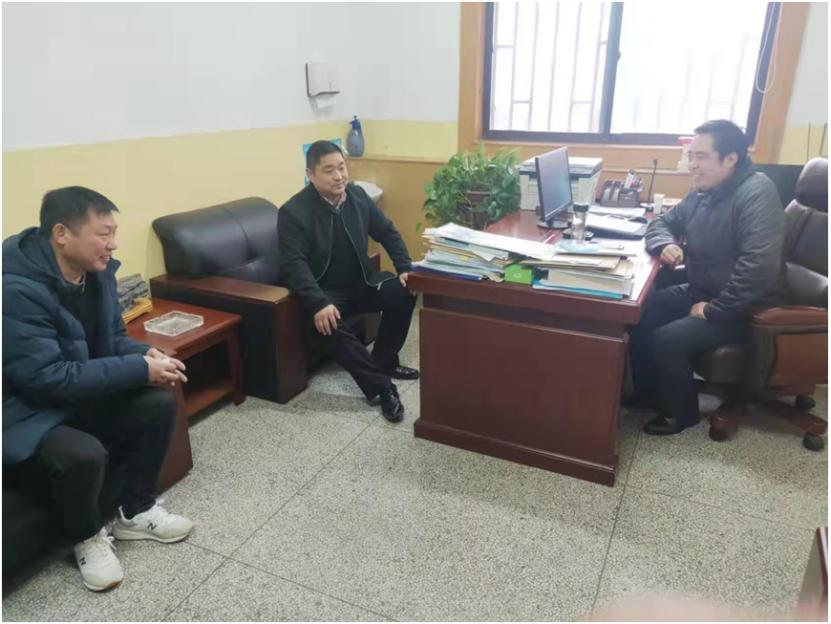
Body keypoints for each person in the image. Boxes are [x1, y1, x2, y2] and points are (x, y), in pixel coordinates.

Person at [2, 186, 194, 591]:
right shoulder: (15, 292)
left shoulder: (97, 272)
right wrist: (137, 369)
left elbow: (113, 339)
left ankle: (136, 510)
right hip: (25, 409)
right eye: (103, 234)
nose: (113, 244)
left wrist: (147, 355)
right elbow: (47, 378)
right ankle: (86, 537)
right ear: (61, 234)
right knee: (84, 454)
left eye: (114, 232)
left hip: (75, 389)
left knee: (158, 402)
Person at [629, 120, 785, 436]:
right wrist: (665, 243)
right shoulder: (703, 192)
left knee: (668, 339)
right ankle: (650, 393)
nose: (692, 165)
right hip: (704, 287)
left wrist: (713, 310)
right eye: (691, 156)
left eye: (701, 156)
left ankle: (680, 413)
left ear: (731, 159)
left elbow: (757, 270)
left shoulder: (757, 193)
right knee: (641, 310)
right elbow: (661, 224)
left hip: (746, 307)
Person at [278, 140, 418, 422]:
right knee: (330, 323)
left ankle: (385, 361)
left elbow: (387, 232)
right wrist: (318, 303)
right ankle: (382, 387)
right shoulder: (293, 211)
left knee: (405, 291)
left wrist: (405, 267)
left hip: (362, 281)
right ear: (310, 174)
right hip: (325, 293)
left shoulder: (357, 196)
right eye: (329, 170)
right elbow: (294, 264)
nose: (338, 176)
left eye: (341, 167)